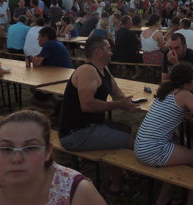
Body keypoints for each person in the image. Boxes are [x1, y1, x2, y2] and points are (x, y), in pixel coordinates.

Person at [59, 36, 140, 193]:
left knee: (125, 129)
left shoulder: (103, 69)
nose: (111, 51)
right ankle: (116, 186)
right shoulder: (87, 71)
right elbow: (87, 105)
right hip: (76, 133)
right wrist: (118, 105)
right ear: (98, 51)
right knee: (132, 142)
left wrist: (131, 103)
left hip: (90, 127)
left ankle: (117, 173)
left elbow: (117, 94)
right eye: (108, 48)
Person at [134, 63, 193, 205]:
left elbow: (176, 112)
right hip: (153, 150)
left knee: (180, 153)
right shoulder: (184, 95)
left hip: (140, 145)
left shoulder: (166, 90)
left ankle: (163, 200)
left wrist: (188, 113)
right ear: (185, 83)